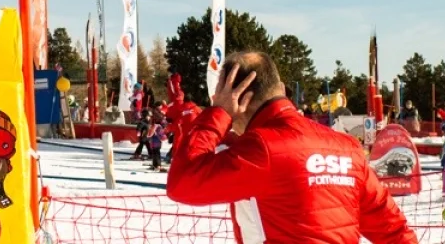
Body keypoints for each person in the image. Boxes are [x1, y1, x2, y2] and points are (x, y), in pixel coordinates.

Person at [167, 52, 417, 244]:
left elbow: (182, 183)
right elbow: (393, 231)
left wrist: (217, 114)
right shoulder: (346, 147)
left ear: (240, 99)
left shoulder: (260, 149)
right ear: (282, 88)